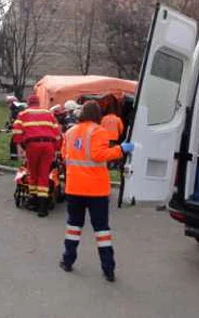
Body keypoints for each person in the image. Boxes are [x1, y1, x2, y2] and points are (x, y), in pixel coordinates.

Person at [59, 100, 134, 282]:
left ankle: (67, 260)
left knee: (73, 226)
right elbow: (99, 155)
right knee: (101, 230)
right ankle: (108, 269)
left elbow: (64, 155)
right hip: (96, 190)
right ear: (98, 114)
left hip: (74, 188)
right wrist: (120, 150)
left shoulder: (69, 132)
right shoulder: (99, 132)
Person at [12, 94, 61, 217]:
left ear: (28, 103)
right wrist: (56, 149)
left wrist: (19, 147)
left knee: (33, 173)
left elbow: (17, 131)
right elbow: (57, 133)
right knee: (44, 174)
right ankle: (43, 207)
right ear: (38, 103)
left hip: (33, 146)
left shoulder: (23, 114)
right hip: (48, 146)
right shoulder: (49, 114)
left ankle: (33, 200)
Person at [6, 95, 26, 161]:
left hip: (21, 129)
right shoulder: (15, 109)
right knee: (15, 143)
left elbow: (17, 121)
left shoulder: (16, 109)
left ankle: (15, 158)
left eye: (8, 103)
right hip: (20, 129)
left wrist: (11, 126)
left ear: (12, 102)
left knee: (15, 142)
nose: (7, 105)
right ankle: (16, 157)